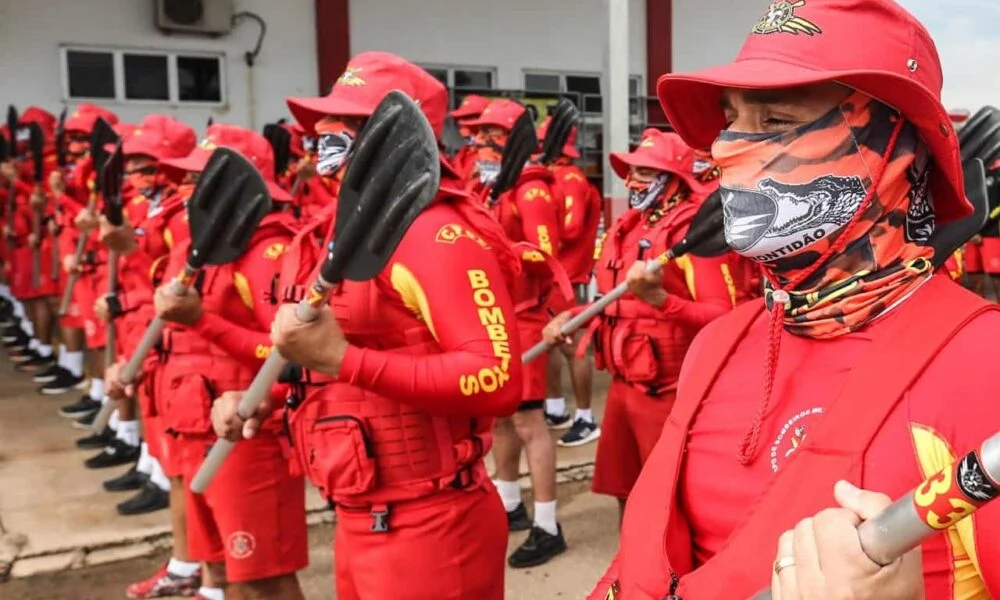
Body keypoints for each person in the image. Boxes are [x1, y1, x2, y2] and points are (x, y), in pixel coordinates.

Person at [588, 1, 1000, 598]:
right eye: (731, 119)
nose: (725, 149)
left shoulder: (980, 365)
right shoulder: (719, 343)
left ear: (894, 147)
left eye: (775, 120)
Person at [211, 51, 524, 600]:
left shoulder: (433, 234)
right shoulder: (337, 232)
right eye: (325, 123)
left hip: (431, 524)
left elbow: (497, 379)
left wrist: (340, 359)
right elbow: (341, 365)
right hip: (360, 516)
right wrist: (270, 395)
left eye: (348, 124)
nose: (325, 135)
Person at [143, 124, 308, 600]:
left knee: (262, 579)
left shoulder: (267, 253)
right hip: (195, 425)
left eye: (198, 180)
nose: (184, 190)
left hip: (248, 437)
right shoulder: (197, 247)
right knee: (218, 569)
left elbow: (289, 355)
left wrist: (203, 321)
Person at [545, 129, 737, 518]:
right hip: (623, 387)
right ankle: (628, 574)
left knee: (666, 505)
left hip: (668, 395)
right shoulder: (630, 225)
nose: (632, 181)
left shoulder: (691, 232)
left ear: (672, 181)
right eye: (632, 172)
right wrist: (577, 318)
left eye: (646, 174)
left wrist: (661, 301)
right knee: (625, 492)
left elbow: (725, 320)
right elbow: (616, 302)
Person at [465, 98, 572, 567]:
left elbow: (545, 253)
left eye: (491, 135)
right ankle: (509, 502)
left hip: (525, 316)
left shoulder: (529, 190)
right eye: (478, 134)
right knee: (500, 418)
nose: (479, 143)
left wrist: (493, 250)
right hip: (495, 316)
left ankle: (547, 524)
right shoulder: (493, 186)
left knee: (530, 422)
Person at [537, 117, 604, 447]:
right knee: (549, 343)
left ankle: (585, 417)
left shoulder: (571, 179)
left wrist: (538, 229)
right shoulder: (551, 177)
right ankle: (555, 408)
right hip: (549, 277)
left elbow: (572, 228)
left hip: (568, 277)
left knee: (575, 347)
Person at [449, 94, 491, 181]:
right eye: (460, 119)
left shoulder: (491, 156)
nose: (462, 124)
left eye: (469, 119)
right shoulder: (464, 153)